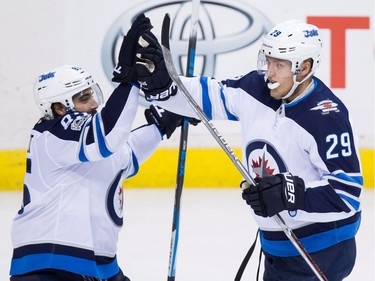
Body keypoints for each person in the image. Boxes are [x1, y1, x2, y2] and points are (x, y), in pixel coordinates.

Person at [134, 19, 363, 280]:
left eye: (280, 65)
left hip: (322, 250)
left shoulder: (326, 117)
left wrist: (291, 195)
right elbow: (209, 95)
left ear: (305, 67)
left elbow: (347, 194)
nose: (270, 73)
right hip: (278, 247)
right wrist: (165, 84)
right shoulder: (256, 88)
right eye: (268, 61)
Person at [9, 14, 189, 281]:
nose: (94, 103)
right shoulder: (52, 134)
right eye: (84, 98)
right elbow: (109, 136)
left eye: (92, 93)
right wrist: (129, 80)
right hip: (50, 267)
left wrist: (164, 122)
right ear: (59, 108)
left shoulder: (90, 144)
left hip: (100, 268)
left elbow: (126, 154)